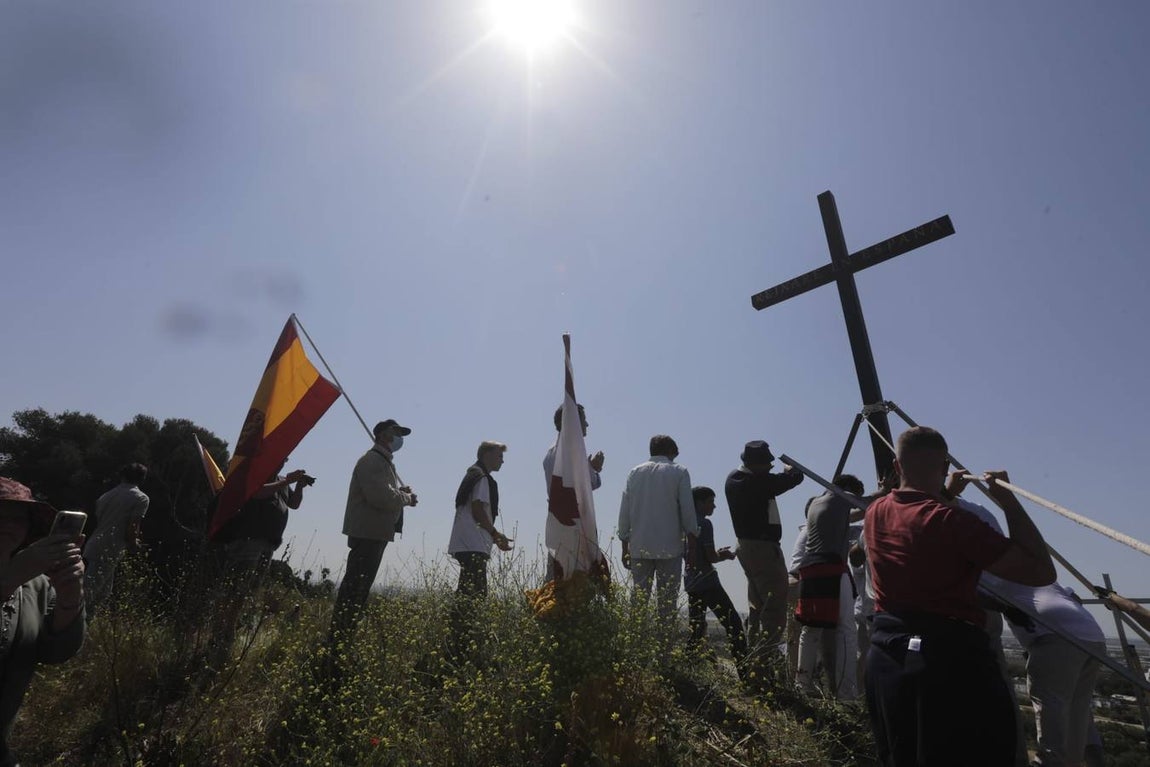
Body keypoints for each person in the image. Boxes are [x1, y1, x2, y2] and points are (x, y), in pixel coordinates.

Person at [864, 426, 1056, 767]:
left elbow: (915, 517)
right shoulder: (955, 522)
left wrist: (943, 493)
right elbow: (1041, 572)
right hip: (947, 663)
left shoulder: (875, 513)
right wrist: (1009, 502)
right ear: (944, 467)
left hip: (887, 655)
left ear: (896, 465)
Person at [0, 477, 85, 767]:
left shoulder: (36, 584)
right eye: (0, 514)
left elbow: (56, 652)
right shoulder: (22, 574)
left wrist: (70, 594)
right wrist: (9, 578)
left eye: (18, 518)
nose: (9, 524)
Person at [210, 460, 313, 665]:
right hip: (249, 541)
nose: (281, 462)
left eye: (284, 459)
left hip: (267, 544)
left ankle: (230, 630)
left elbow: (293, 504)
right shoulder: (257, 478)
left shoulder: (281, 482)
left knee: (248, 589)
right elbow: (256, 493)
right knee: (236, 589)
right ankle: (222, 634)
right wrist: (286, 482)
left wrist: (298, 486)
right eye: (280, 458)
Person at [329, 419, 418, 645]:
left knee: (358, 588)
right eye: (394, 432)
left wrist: (398, 493)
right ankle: (339, 639)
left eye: (400, 433)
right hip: (368, 533)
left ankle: (343, 637)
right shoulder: (372, 461)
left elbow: (383, 492)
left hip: (374, 533)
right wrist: (405, 498)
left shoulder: (382, 462)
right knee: (355, 588)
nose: (399, 437)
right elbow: (380, 497)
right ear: (381, 435)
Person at [724, 440, 803, 648]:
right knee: (774, 608)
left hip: (746, 547)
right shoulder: (755, 482)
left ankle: (753, 660)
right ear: (755, 464)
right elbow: (793, 478)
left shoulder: (734, 479)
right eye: (766, 463)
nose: (770, 466)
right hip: (763, 549)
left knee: (757, 606)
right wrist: (791, 470)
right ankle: (764, 664)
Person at [793, 474, 865, 700]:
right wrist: (885, 492)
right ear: (848, 491)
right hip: (832, 569)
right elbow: (866, 505)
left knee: (810, 629)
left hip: (811, 569)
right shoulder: (840, 498)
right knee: (846, 630)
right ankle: (846, 694)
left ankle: (802, 684)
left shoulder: (817, 503)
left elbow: (855, 514)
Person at [618, 435, 698, 626]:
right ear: (671, 451)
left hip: (639, 545)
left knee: (638, 602)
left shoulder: (634, 472)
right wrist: (692, 542)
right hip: (669, 547)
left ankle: (635, 647)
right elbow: (687, 510)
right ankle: (664, 652)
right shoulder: (679, 472)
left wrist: (624, 545)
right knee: (667, 605)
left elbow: (625, 510)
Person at [447, 441, 512, 659]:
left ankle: (459, 640)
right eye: (498, 456)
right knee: (474, 594)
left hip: (467, 543)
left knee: (468, 593)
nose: (502, 460)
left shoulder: (473, 475)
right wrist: (495, 535)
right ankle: (461, 644)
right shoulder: (482, 478)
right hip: (472, 544)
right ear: (486, 455)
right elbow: (478, 509)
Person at [684, 486, 746, 667]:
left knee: (696, 630)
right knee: (734, 624)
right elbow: (711, 557)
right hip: (708, 583)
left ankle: (689, 670)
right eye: (710, 501)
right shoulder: (704, 524)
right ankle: (745, 671)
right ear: (699, 503)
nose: (714, 506)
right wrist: (724, 556)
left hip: (691, 583)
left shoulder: (685, 524)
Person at [84, 462, 149, 613]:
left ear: (122, 475)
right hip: (110, 549)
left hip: (94, 545)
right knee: (89, 595)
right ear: (142, 479)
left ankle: (82, 628)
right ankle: (69, 630)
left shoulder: (105, 496)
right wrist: (134, 544)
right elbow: (132, 527)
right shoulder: (141, 498)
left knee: (101, 594)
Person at [543, 404, 604, 494]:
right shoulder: (573, 451)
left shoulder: (549, 455)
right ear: (575, 423)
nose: (587, 424)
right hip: (571, 507)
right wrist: (592, 468)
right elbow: (592, 483)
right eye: (583, 420)